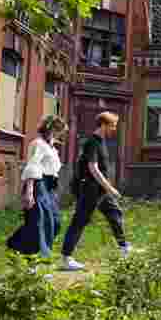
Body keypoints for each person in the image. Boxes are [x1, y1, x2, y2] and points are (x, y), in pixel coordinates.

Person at [60, 111, 133, 271]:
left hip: (99, 190)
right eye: (112, 125)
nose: (114, 129)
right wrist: (110, 188)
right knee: (79, 221)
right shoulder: (92, 142)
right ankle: (66, 258)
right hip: (90, 189)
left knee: (115, 213)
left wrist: (106, 188)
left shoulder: (101, 141)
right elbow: (93, 168)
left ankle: (123, 247)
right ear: (103, 125)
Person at [6, 115, 68, 258]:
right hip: (38, 185)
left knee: (55, 221)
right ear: (51, 129)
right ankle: (39, 259)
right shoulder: (37, 144)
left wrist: (53, 191)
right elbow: (33, 166)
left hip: (49, 188)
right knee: (41, 222)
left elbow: (53, 170)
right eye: (59, 131)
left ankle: (15, 243)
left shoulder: (51, 147)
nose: (60, 135)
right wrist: (29, 191)